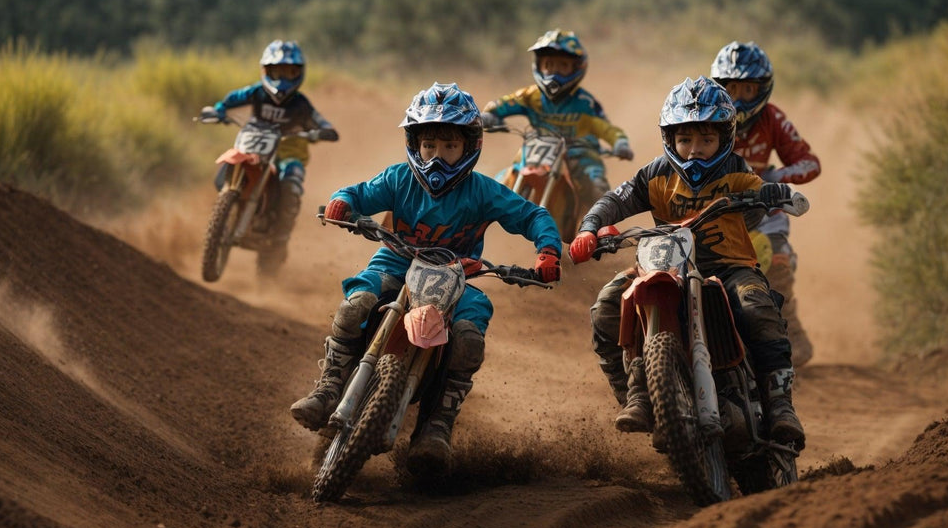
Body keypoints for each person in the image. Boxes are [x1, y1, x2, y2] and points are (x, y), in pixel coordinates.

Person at [290, 82, 563, 472]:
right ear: (414, 144)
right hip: (395, 262)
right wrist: (343, 202)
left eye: (449, 147)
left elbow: (533, 214)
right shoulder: (399, 178)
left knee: (469, 337)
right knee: (356, 305)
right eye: (429, 146)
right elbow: (359, 192)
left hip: (455, 277)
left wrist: (548, 250)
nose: (437, 157)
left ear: (469, 147)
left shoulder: (483, 191)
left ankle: (437, 425)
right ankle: (329, 386)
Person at [568, 76, 807, 446]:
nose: (695, 150)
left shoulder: (736, 173)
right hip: (664, 265)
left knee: (756, 306)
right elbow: (615, 200)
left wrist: (773, 193)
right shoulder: (655, 174)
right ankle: (637, 395)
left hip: (729, 267)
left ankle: (780, 405)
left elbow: (759, 193)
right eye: (685, 140)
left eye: (706, 140)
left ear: (724, 139)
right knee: (606, 308)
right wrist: (590, 228)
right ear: (670, 139)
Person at [711, 41, 821, 367]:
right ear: (719, 86)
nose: (740, 96)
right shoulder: (704, 116)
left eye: (748, 88)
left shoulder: (772, 118)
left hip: (763, 206)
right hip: (711, 207)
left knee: (778, 263)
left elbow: (809, 162)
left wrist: (775, 175)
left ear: (763, 88)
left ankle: (793, 335)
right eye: (731, 87)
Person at [210, 39, 339, 271]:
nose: (282, 78)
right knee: (228, 166)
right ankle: (228, 205)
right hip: (253, 148)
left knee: (291, 181)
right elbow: (228, 101)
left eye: (289, 72)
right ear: (266, 70)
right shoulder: (256, 93)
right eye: (277, 71)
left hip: (288, 155)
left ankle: (279, 238)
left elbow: (320, 121)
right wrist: (218, 111)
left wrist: (323, 131)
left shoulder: (301, 104)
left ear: (299, 73)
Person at [480, 29, 633, 212]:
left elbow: (608, 129)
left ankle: (606, 229)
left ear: (576, 68)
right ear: (538, 65)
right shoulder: (530, 96)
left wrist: (620, 143)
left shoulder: (585, 104)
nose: (554, 72)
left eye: (562, 65)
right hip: (536, 148)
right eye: (548, 64)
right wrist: (490, 115)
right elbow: (503, 104)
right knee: (502, 179)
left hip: (579, 154)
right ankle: (476, 216)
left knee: (595, 185)